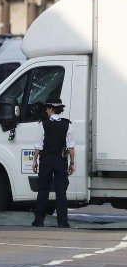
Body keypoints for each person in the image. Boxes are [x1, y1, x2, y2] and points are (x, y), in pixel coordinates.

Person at [31, 97, 75, 228]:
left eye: (47, 108)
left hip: (46, 160)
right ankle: (63, 222)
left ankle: (39, 221)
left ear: (51, 109)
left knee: (43, 190)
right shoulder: (68, 124)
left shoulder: (43, 123)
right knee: (61, 191)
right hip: (61, 160)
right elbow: (71, 147)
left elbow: (38, 145)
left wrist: (34, 161)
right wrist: (72, 163)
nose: (46, 111)